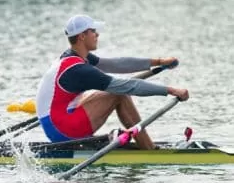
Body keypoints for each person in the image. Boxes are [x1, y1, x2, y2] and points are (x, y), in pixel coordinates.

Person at [35, 14, 189, 149]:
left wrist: (160, 61)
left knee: (114, 90)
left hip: (56, 120)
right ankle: (149, 148)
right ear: (82, 36)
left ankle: (143, 143)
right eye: (93, 31)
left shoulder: (74, 57)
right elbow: (127, 87)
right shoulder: (78, 69)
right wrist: (171, 90)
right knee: (119, 93)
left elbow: (116, 64)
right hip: (62, 129)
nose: (97, 34)